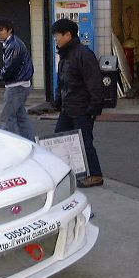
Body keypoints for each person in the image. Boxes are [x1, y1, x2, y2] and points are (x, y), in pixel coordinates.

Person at [51, 18, 104, 188]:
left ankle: (95, 175)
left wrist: (93, 108)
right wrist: (58, 101)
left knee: (84, 141)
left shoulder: (83, 54)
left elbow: (94, 83)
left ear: (68, 35)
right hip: (68, 107)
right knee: (60, 138)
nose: (56, 39)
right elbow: (63, 82)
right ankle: (66, 171)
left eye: (57, 35)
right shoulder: (65, 55)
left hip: (82, 107)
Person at [0, 18, 35, 141]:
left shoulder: (13, 45)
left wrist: (1, 75)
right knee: (21, 116)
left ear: (9, 30)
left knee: (7, 117)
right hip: (21, 83)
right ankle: (30, 141)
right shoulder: (12, 43)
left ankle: (9, 143)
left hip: (16, 85)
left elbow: (10, 66)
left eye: (1, 30)